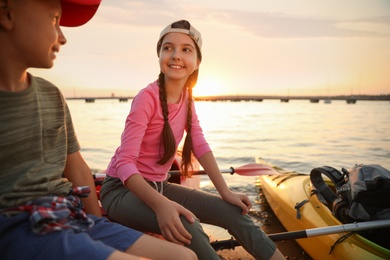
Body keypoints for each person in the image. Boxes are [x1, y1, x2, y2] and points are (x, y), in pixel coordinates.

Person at [0, 1, 197, 260]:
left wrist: (95, 225)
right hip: (21, 226)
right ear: (6, 13)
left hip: (71, 216)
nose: (62, 37)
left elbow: (78, 169)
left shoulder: (51, 95)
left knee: (185, 257)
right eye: (54, 20)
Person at [100, 19, 285, 260]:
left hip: (159, 186)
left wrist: (225, 192)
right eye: (168, 48)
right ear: (159, 55)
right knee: (189, 225)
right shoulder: (147, 98)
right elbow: (125, 163)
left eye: (186, 49)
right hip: (120, 191)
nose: (176, 55)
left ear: (197, 61)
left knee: (233, 213)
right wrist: (161, 205)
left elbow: (199, 144)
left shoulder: (188, 98)